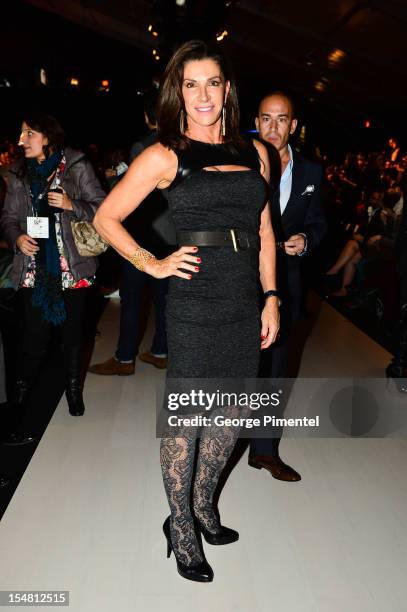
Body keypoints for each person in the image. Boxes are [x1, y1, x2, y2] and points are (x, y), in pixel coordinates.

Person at [93, 40, 279, 582]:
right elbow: (107, 218)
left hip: (246, 298)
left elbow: (265, 231)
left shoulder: (255, 152)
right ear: (178, 91)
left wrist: (271, 297)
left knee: (233, 412)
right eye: (191, 84)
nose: (203, 95)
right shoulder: (163, 154)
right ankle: (180, 527)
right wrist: (150, 264)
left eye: (212, 83)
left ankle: (201, 506)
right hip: (196, 297)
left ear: (227, 90)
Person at [0, 113, 105, 444]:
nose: (21, 140)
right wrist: (16, 237)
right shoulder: (18, 174)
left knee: (73, 335)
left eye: (28, 133)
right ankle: (19, 398)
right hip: (35, 270)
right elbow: (8, 218)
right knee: (34, 337)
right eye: (20, 133)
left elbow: (104, 208)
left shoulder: (76, 166)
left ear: (46, 136)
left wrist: (72, 203)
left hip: (71, 267)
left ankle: (74, 391)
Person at [249, 91, 326, 481]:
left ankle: (264, 450)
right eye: (266, 118)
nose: (274, 127)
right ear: (256, 122)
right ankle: (222, 446)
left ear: (293, 126)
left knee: (276, 367)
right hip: (241, 280)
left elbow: (319, 222)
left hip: (288, 282)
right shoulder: (238, 163)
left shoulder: (311, 172)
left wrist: (306, 239)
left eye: (282, 120)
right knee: (238, 366)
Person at [89, 91, 175, 375]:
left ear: (147, 116)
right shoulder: (181, 145)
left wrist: (115, 181)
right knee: (164, 298)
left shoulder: (144, 146)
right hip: (171, 237)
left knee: (132, 297)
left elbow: (136, 195)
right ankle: (161, 351)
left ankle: (125, 358)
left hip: (143, 238)